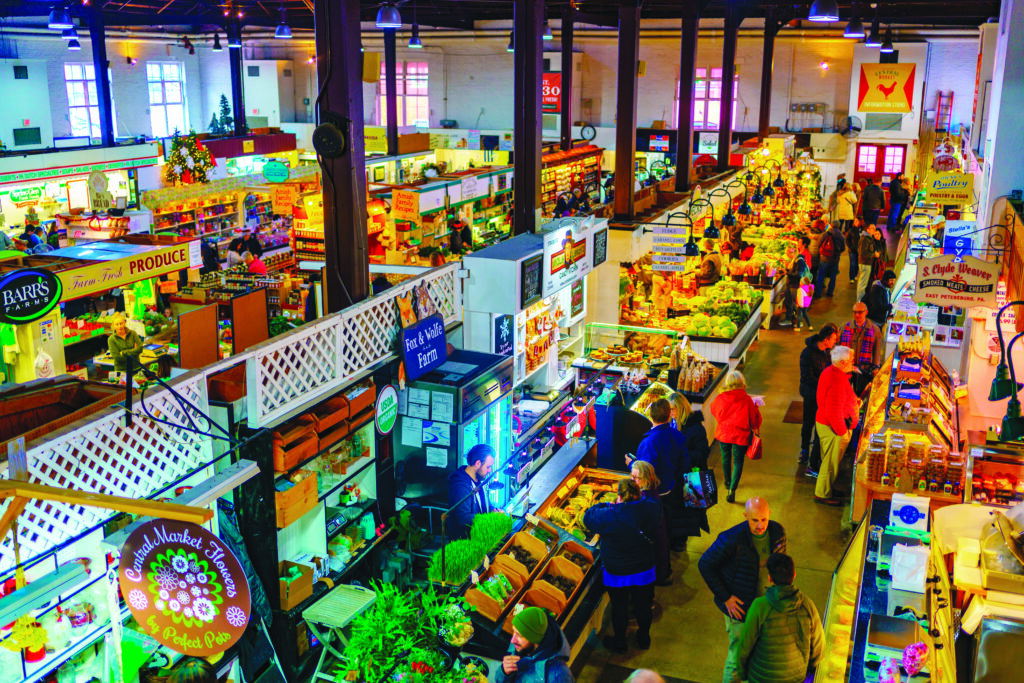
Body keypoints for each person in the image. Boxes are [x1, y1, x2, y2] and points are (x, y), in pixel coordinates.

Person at [698, 497, 787, 683]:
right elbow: (705, 564)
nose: (760, 525)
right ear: (745, 516)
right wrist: (726, 597)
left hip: (766, 607)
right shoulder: (731, 539)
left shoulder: (778, 532)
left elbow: (780, 563)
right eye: (754, 520)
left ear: (769, 515)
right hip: (740, 610)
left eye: (763, 519)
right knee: (737, 658)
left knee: (759, 654)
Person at [584, 478, 660, 653]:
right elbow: (652, 501)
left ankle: (620, 642)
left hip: (617, 571)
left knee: (619, 606)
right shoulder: (652, 507)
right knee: (643, 604)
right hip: (644, 568)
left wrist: (604, 504)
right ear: (638, 492)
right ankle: (644, 638)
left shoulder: (609, 515)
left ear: (619, 496)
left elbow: (587, 518)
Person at [735, 553, 824, 683]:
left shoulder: (759, 606)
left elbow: (744, 646)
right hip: (796, 678)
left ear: (770, 578)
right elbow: (819, 646)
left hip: (760, 678)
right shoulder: (807, 605)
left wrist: (742, 674)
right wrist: (807, 670)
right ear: (794, 575)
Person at [815, 346, 861, 506]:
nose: (852, 363)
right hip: (833, 428)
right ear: (842, 362)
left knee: (829, 461)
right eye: (850, 361)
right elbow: (834, 411)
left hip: (826, 424)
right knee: (830, 463)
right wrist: (843, 432)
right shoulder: (837, 380)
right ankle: (823, 493)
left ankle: (827, 489)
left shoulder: (831, 372)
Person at [709, 371, 762, 503]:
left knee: (725, 458)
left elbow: (713, 410)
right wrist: (756, 408)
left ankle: (727, 482)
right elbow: (755, 422)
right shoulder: (747, 400)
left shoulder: (721, 398)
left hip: (724, 433)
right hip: (741, 436)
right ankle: (732, 490)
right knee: (738, 462)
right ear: (742, 383)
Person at [668, 392, 711, 550]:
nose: (671, 413)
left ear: (681, 408)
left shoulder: (695, 428)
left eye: (673, 409)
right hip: (677, 475)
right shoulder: (672, 424)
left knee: (687, 512)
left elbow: (703, 453)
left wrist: (681, 454)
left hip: (690, 477)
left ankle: (680, 541)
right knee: (679, 510)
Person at [798, 323, 839, 472]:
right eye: (833, 339)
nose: (835, 342)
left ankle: (815, 453)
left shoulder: (827, 352)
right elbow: (807, 377)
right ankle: (804, 450)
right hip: (810, 394)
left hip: (822, 396)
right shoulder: (807, 353)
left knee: (819, 424)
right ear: (826, 340)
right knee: (808, 422)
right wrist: (824, 384)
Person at [497, 606, 574, 683]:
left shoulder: (559, 675)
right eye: (514, 631)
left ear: (534, 639)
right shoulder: (520, 647)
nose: (512, 640)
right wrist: (504, 673)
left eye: (519, 635)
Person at [631, 460, 671, 585]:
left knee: (657, 559)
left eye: (635, 477)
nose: (632, 480)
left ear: (645, 479)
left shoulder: (646, 499)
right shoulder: (650, 490)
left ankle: (659, 579)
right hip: (658, 537)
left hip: (653, 540)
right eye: (631, 475)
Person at [446, 443, 494, 539]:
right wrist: (490, 518)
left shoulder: (479, 479)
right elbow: (463, 518)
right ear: (477, 464)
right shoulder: (460, 487)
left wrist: (494, 510)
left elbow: (485, 505)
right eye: (488, 467)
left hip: (481, 532)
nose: (490, 470)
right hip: (466, 540)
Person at [839, 303, 884, 395]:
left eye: (860, 312)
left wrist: (875, 368)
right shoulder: (844, 328)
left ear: (866, 312)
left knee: (860, 394)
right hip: (847, 369)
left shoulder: (875, 330)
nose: (857, 315)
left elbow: (877, 351)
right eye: (855, 312)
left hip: (864, 369)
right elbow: (838, 348)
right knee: (843, 392)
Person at [814, 222, 845, 299]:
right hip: (835, 259)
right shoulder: (841, 236)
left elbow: (818, 244)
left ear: (831, 225)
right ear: (839, 226)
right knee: (833, 276)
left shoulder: (825, 234)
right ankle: (830, 293)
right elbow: (843, 248)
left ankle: (818, 293)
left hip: (824, 258)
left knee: (821, 275)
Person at [856, 223, 881, 302]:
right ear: (868, 229)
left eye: (874, 228)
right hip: (865, 263)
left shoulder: (868, 238)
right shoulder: (865, 239)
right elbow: (863, 253)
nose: (874, 230)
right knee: (862, 283)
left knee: (862, 282)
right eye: (872, 228)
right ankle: (860, 300)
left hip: (865, 263)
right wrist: (874, 254)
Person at [843, 218, 862, 285]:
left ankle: (855, 275)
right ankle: (851, 278)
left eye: (857, 221)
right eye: (855, 221)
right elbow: (847, 240)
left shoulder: (862, 231)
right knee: (852, 263)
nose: (855, 222)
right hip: (852, 250)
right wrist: (850, 247)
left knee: (857, 263)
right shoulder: (851, 230)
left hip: (860, 250)